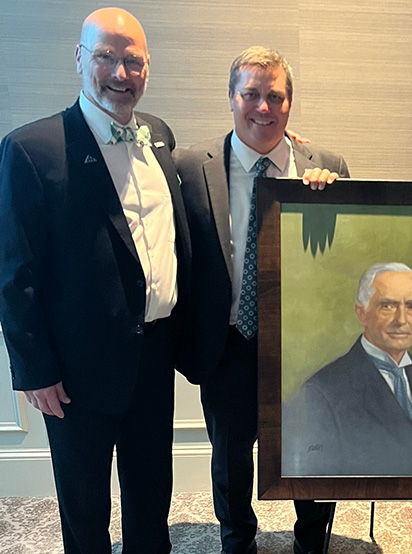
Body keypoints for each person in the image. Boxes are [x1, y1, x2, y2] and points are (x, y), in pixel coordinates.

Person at [0, 7, 193, 553]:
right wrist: (35, 369)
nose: (120, 72)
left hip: (155, 358)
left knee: (152, 498)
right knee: (85, 510)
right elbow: (15, 273)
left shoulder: (159, 135)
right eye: (106, 56)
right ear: (80, 58)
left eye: (133, 60)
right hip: (74, 372)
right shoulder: (31, 150)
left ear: (148, 67)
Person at [174, 46, 346, 554]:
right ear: (231, 98)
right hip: (228, 341)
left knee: (314, 451)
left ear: (291, 104)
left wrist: (330, 198)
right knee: (229, 457)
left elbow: (351, 253)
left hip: (307, 345)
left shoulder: (326, 167)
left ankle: (312, 543)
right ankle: (236, 542)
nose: (263, 108)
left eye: (275, 96)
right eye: (251, 94)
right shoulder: (190, 166)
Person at [283, 262, 412, 477]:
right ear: (362, 313)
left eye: (411, 306)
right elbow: (316, 475)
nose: (401, 320)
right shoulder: (322, 393)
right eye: (388, 305)